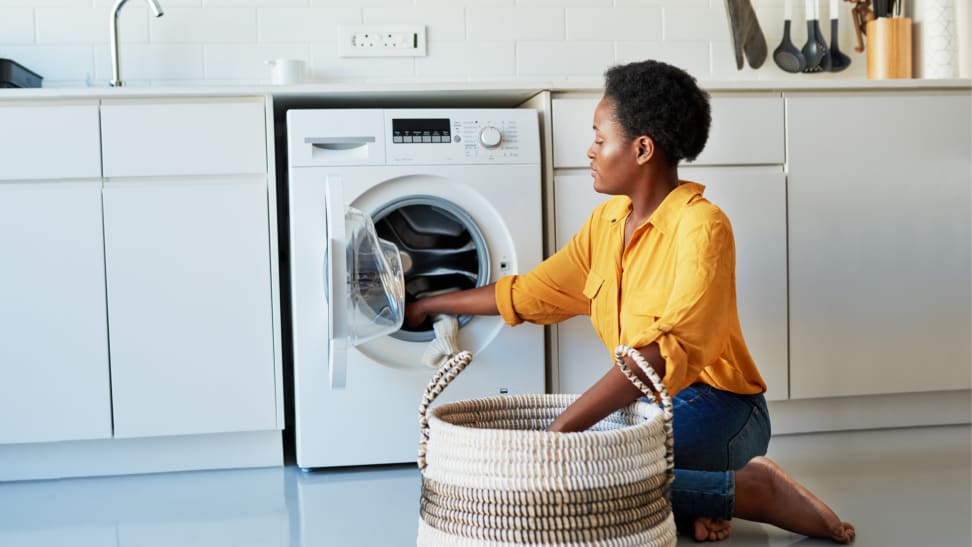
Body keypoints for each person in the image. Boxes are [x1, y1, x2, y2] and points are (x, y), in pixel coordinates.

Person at [404, 60, 855, 544]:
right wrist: (433, 304)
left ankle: (756, 492)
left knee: (588, 470)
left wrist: (557, 434)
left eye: (600, 139)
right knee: (599, 471)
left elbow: (665, 352)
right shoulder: (607, 224)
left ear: (641, 149)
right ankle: (700, 501)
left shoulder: (702, 227)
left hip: (722, 411)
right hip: (653, 409)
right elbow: (531, 292)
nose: (590, 151)